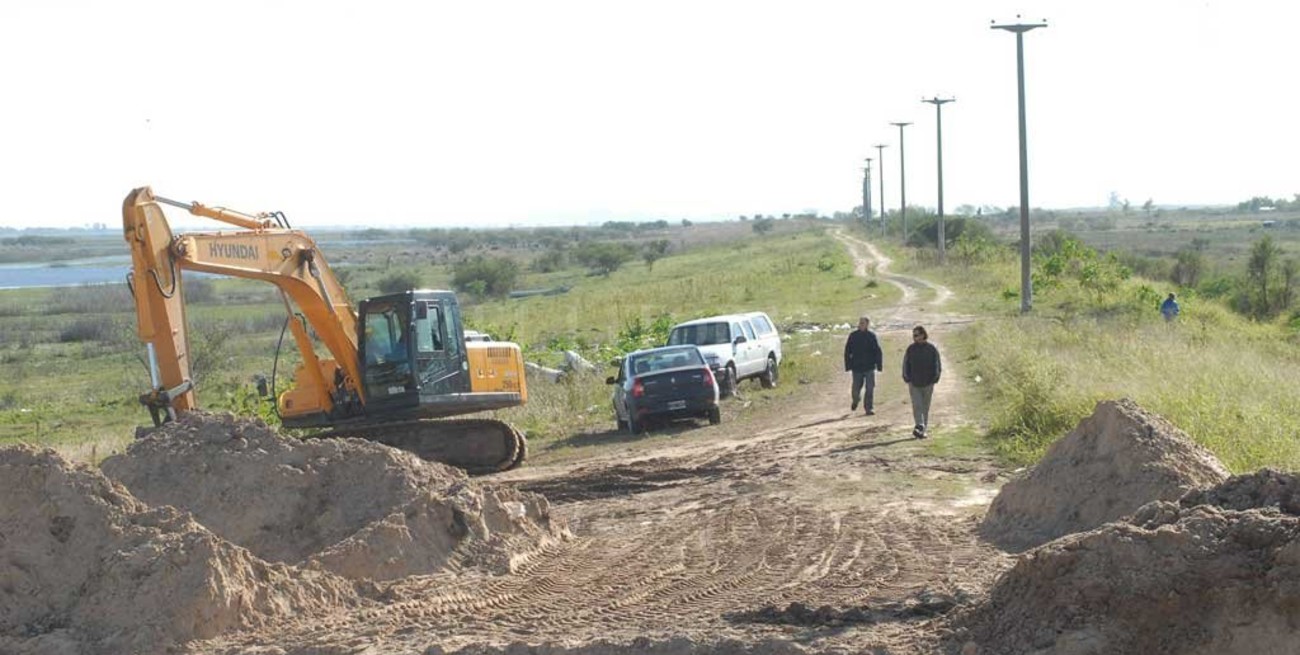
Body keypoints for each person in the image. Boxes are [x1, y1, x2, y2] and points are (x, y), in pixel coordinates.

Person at [902, 325, 941, 439]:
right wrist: (907, 378)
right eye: (913, 335)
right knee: (917, 405)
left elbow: (937, 364)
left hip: (928, 382)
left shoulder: (932, 349)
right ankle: (919, 425)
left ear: (923, 335)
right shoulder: (910, 349)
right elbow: (905, 364)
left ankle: (923, 430)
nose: (914, 337)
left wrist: (935, 378)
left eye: (916, 335)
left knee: (925, 406)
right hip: (914, 383)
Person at [843, 315, 883, 415]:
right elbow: (847, 350)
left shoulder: (871, 336)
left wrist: (879, 365)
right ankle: (856, 400)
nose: (860, 324)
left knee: (870, 388)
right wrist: (848, 365)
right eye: (860, 322)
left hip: (869, 367)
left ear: (867, 325)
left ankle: (868, 408)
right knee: (855, 389)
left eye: (863, 323)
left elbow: (877, 351)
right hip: (857, 367)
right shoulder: (853, 336)